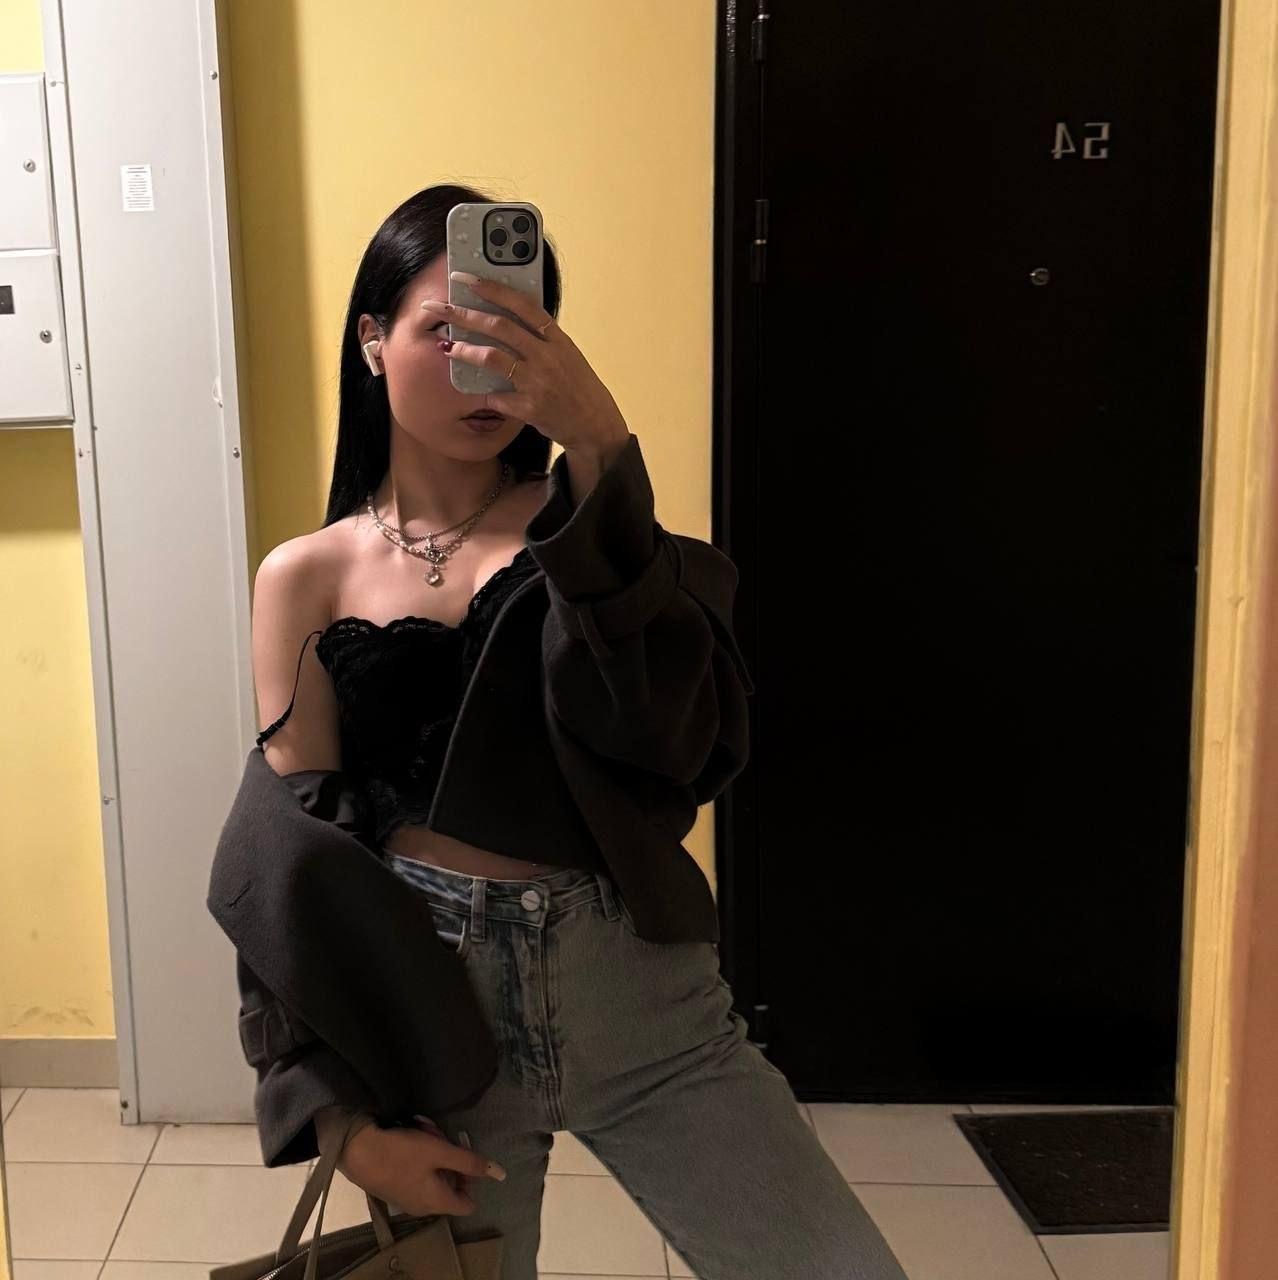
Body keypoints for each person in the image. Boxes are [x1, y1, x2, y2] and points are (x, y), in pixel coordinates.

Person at [248, 183, 908, 1280]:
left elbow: (676, 744)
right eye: (443, 327)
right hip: (436, 1022)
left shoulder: (590, 529)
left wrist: (602, 445)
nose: (480, 360)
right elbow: (287, 869)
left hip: (642, 999)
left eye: (516, 327)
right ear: (371, 341)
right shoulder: (304, 577)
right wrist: (340, 1118)